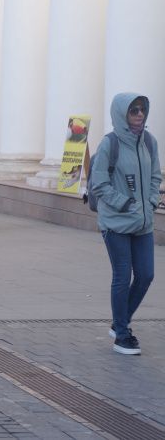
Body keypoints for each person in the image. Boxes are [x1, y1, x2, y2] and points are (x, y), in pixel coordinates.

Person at [90, 93, 161, 356]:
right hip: (116, 223)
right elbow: (99, 184)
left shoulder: (149, 142)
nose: (139, 114)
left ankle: (120, 320)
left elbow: (155, 176)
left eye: (142, 109)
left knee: (146, 275)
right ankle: (122, 334)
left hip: (143, 223)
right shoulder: (110, 144)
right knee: (122, 276)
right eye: (134, 110)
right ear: (122, 114)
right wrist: (125, 203)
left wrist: (151, 201)